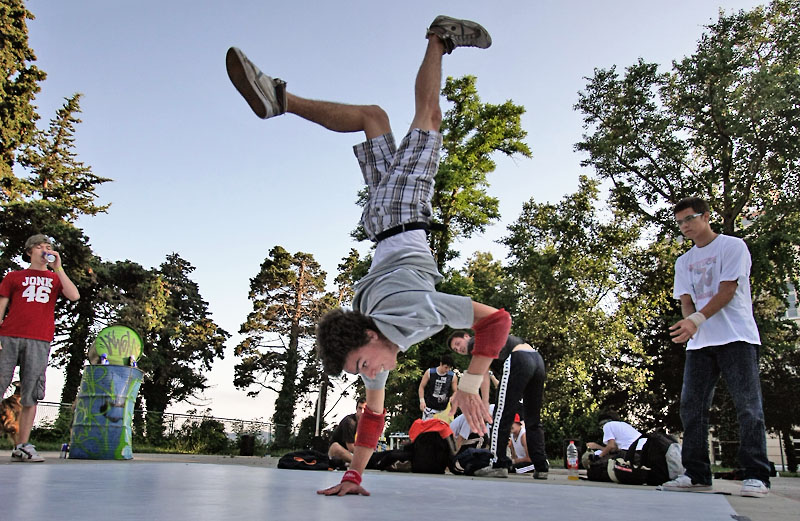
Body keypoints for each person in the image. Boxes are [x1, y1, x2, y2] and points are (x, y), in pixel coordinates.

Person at [227, 15, 504, 497]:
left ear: (371, 335)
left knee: (429, 120)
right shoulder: (378, 343)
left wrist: (470, 379)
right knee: (373, 117)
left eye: (361, 364)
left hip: (403, 211)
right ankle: (280, 98)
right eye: (360, 371)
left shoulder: (410, 315)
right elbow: (373, 417)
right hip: (381, 224)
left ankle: (438, 39)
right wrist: (353, 474)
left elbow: (496, 321)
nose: (368, 373)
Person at [661, 197, 770, 498]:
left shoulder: (732, 247)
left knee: (748, 406)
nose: (684, 226)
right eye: (680, 222)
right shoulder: (683, 262)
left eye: (689, 219)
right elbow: (686, 301)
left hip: (737, 338)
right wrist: (689, 325)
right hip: (701, 344)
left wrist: (696, 319)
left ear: (706, 217)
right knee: (691, 408)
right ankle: (696, 474)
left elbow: (728, 290)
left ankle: (756, 475)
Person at [0, 234, 80, 462]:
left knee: (31, 394)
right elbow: (1, 306)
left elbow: (74, 296)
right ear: (29, 251)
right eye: (40, 246)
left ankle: (22, 446)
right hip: (9, 336)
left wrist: (59, 269)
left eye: (49, 246)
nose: (46, 249)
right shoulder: (14, 277)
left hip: (39, 339)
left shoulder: (55, 279)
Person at [448, 331, 548, 479]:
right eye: (456, 350)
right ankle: (541, 466)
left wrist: (485, 402)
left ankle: (498, 463)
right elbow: (486, 373)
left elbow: (482, 374)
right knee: (533, 418)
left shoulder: (474, 342)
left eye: (458, 344)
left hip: (517, 359)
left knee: (501, 416)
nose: (460, 349)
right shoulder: (489, 340)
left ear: (467, 337)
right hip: (537, 360)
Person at [328, 398, 366, 465]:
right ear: (356, 409)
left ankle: (361, 463)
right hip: (337, 452)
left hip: (353, 454)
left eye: (365, 409)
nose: (362, 411)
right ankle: (361, 463)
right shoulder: (349, 422)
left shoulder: (367, 425)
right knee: (335, 446)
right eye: (360, 408)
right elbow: (351, 447)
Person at [418, 354, 457, 420]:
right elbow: (421, 387)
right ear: (441, 364)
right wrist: (422, 401)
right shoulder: (430, 372)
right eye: (446, 367)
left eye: (449, 368)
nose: (447, 370)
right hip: (429, 408)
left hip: (444, 410)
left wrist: (453, 397)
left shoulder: (452, 376)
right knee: (427, 429)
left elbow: (455, 391)